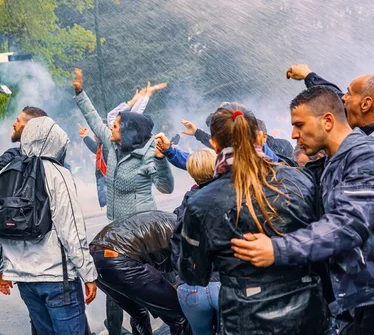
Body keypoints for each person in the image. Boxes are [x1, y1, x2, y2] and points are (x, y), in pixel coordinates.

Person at [231, 86, 374, 334]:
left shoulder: (365, 155)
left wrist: (277, 249)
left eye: (300, 125)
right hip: (359, 299)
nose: (293, 134)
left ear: (327, 120)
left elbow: (348, 224)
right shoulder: (333, 160)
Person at [178, 102, 329, 334]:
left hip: (245, 317)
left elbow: (193, 273)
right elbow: (324, 246)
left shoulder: (200, 202)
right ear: (259, 138)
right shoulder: (300, 181)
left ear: (214, 143)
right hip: (307, 310)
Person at [0, 117, 98, 335]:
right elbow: (71, 230)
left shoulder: (6, 173)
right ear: (56, 141)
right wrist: (88, 273)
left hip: (24, 280)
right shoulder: (58, 174)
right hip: (58, 278)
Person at [72, 68, 174, 220]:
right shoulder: (113, 144)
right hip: (119, 224)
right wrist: (80, 93)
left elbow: (166, 188)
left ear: (127, 132)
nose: (111, 127)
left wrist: (160, 160)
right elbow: (94, 120)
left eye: (116, 125)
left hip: (141, 224)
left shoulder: (146, 155)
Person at [90, 211, 190, 335]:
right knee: (179, 316)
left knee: (138, 314)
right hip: (120, 257)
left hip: (97, 256)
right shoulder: (186, 231)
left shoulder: (172, 219)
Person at [171, 149, 219, 335]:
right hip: (222, 284)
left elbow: (175, 246)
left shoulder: (184, 207)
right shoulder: (228, 197)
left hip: (189, 289)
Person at [286, 64, 374, 147]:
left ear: (365, 104)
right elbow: (335, 97)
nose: (343, 98)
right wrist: (309, 76)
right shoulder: (365, 137)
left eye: (349, 93)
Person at [79, 125, 108, 208]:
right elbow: (94, 148)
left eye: (96, 134)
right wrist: (85, 137)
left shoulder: (107, 147)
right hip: (103, 182)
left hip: (107, 184)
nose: (94, 136)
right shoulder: (101, 147)